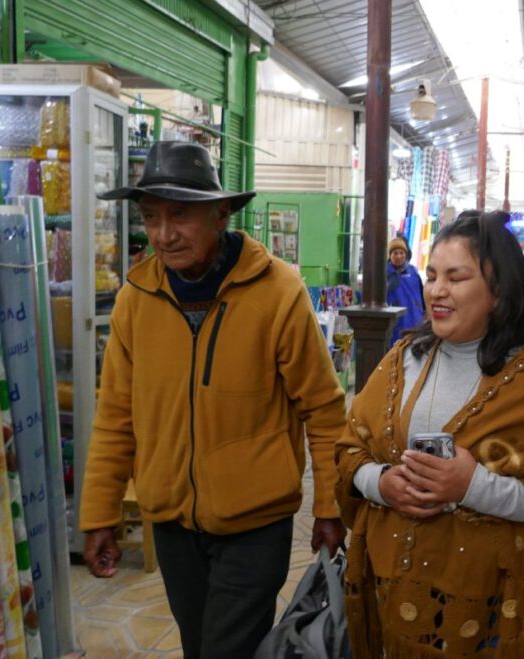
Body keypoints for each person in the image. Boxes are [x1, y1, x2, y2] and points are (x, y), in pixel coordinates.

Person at [80, 141, 347, 658]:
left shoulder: (278, 292)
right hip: (173, 524)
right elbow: (116, 417)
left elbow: (323, 408)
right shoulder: (136, 300)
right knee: (198, 645)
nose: (163, 234)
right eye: (151, 217)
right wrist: (99, 513)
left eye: (180, 216)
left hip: (255, 523)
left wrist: (330, 505)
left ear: (221, 213)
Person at [335, 210, 524, 657]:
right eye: (433, 275)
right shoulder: (404, 359)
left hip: (488, 609)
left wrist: (471, 485)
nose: (437, 290)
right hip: (394, 592)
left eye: (456, 278)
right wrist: (380, 484)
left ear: (498, 291)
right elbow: (349, 450)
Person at [387, 236, 425, 347]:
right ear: (390, 255)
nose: (399, 256)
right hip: (396, 325)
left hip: (415, 321)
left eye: (401, 253)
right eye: (395, 253)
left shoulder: (413, 272)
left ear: (406, 254)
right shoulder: (385, 274)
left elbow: (422, 297)